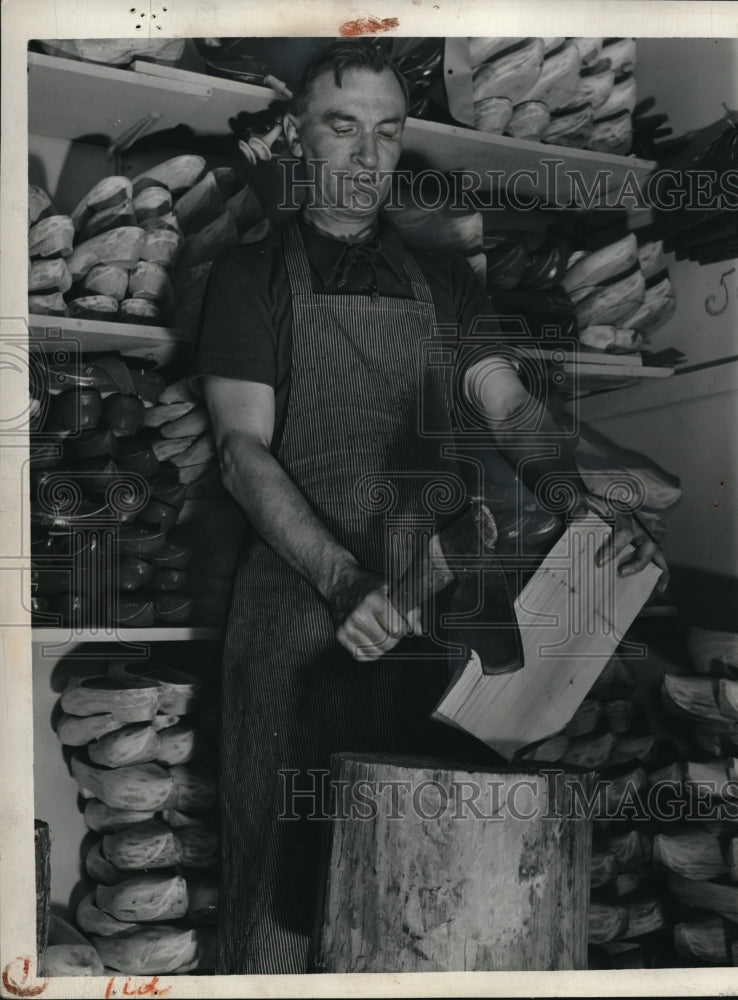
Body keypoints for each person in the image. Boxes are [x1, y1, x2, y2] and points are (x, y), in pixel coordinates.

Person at [190, 39, 666, 974]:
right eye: (343, 128)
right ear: (298, 136)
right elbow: (241, 453)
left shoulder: (444, 283)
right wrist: (338, 578)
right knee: (281, 898)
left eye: (387, 133)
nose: (368, 159)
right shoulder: (249, 278)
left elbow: (510, 404)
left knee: (409, 889)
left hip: (422, 601)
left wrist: (572, 501)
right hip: (297, 610)